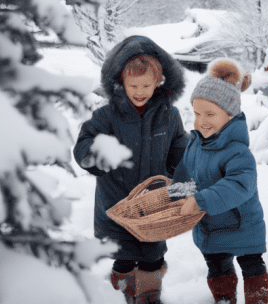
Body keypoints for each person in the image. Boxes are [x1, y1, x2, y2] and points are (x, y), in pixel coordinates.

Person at [73, 35, 188, 304]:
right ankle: (122, 293)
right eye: (133, 84)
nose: (140, 91)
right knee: (123, 258)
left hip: (154, 206)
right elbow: (84, 143)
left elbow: (180, 148)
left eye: (147, 85)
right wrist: (95, 155)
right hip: (116, 205)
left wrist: (178, 174)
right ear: (120, 82)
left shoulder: (169, 115)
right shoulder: (106, 115)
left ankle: (149, 296)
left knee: (153, 255)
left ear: (159, 82)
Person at [169, 58, 268, 304]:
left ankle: (258, 299)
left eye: (210, 114)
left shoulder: (238, 151)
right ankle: (224, 299)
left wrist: (200, 200)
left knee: (251, 265)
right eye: (196, 113)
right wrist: (176, 196)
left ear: (229, 114)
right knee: (216, 265)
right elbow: (185, 172)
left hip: (242, 225)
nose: (201, 121)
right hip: (210, 226)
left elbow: (239, 186)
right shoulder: (195, 145)